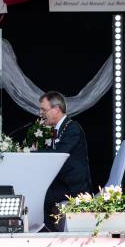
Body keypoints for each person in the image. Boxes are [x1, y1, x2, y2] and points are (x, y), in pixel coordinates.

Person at [38, 91, 91, 231]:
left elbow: (58, 154)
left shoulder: (72, 128)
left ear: (56, 109)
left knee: (41, 197)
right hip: (63, 182)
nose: (40, 113)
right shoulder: (60, 128)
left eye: (44, 109)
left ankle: (46, 235)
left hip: (74, 187)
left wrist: (30, 154)